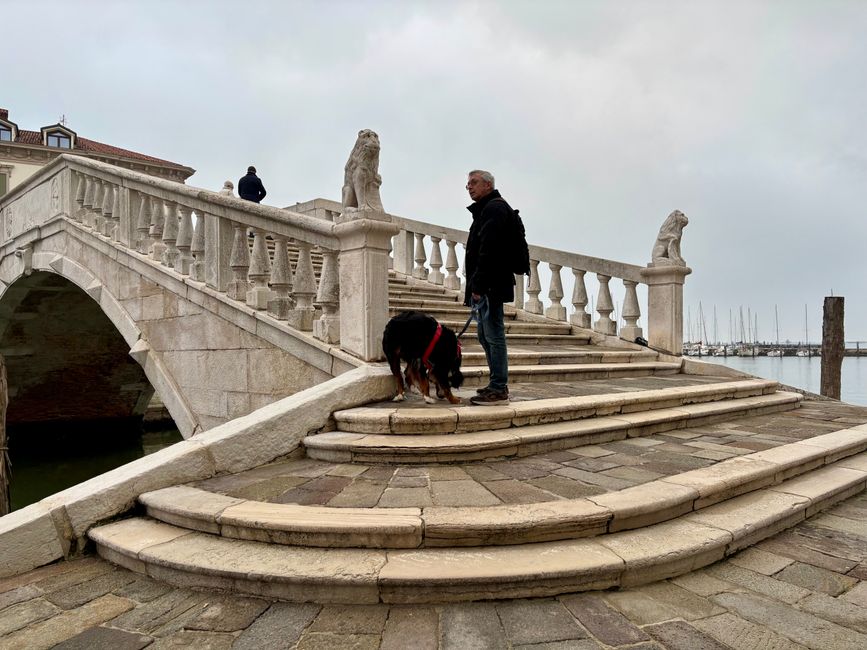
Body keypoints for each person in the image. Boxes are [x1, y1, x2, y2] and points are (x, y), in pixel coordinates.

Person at [463, 169, 514, 406]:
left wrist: (479, 285)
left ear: (487, 185)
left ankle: (499, 386)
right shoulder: (486, 209)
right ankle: (496, 383)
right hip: (488, 284)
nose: (468, 187)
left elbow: (488, 250)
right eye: (468, 183)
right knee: (486, 335)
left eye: (473, 182)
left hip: (491, 285)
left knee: (494, 335)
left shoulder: (494, 208)